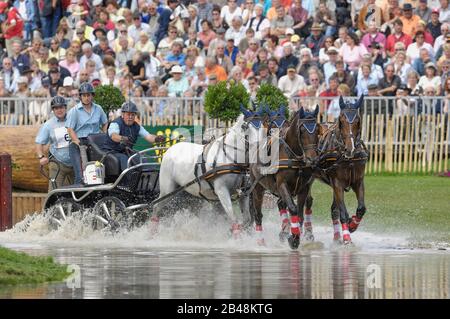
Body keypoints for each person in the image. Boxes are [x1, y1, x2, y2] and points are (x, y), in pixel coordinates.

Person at [102, 102, 166, 171]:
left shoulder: (137, 126)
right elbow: (113, 136)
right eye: (128, 114)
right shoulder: (115, 124)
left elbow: (149, 136)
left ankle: (149, 179)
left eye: (132, 115)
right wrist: (122, 138)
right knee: (125, 159)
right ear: (123, 115)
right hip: (112, 152)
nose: (130, 117)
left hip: (126, 152)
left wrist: (156, 138)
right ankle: (129, 180)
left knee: (143, 159)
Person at [66, 82, 108, 185]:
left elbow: (105, 122)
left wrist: (104, 134)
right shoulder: (74, 111)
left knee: (97, 172)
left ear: (92, 96)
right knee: (81, 175)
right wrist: (77, 142)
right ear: (80, 97)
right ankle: (78, 198)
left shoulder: (98, 108)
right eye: (84, 95)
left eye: (88, 95)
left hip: (95, 142)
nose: (86, 98)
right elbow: (70, 129)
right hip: (78, 142)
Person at [35, 96, 74, 191]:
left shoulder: (73, 119)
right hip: (58, 163)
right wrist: (41, 157)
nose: (59, 110)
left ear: (65, 108)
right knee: (54, 192)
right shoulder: (48, 125)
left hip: (75, 162)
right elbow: (39, 142)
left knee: (80, 191)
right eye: (56, 108)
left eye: (61, 107)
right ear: (53, 110)